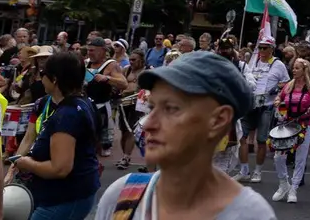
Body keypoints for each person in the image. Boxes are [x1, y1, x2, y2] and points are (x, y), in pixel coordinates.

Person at [90, 50, 276, 219]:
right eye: (152, 107)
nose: (148, 124)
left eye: (171, 109)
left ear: (219, 120)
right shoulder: (123, 195)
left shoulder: (249, 214)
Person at [5, 50, 103, 219]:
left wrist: (27, 163)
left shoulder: (67, 115)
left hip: (63, 198)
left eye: (43, 73)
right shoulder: (83, 103)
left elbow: (60, 169)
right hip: (70, 193)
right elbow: (30, 137)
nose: (40, 77)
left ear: (55, 79)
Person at [270, 57, 310, 203]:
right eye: (293, 68)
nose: (293, 71)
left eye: (297, 68)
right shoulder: (289, 85)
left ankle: (293, 188)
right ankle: (283, 184)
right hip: (287, 124)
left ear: (304, 70)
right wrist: (277, 101)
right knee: (278, 156)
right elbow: (279, 96)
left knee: (300, 158)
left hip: (305, 124)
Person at [235, 33, 290, 184]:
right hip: (251, 104)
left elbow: (286, 82)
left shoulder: (278, 64)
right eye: (259, 47)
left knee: (261, 140)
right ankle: (244, 170)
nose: (261, 50)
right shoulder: (253, 62)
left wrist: (276, 89)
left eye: (265, 48)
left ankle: (258, 171)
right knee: (242, 137)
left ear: (271, 49)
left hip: (266, 106)